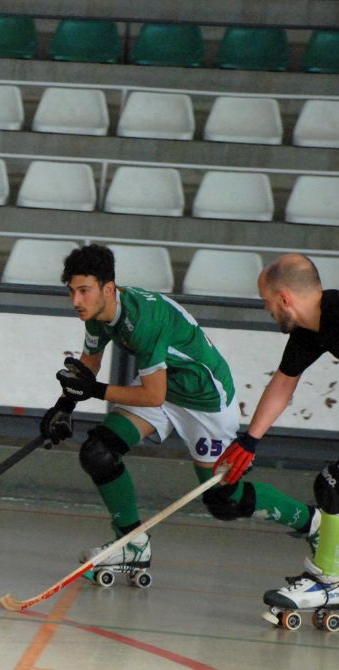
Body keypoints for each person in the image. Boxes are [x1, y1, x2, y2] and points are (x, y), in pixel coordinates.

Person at [40, 244, 317, 578]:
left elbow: (152, 396)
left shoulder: (143, 321)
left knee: (225, 501)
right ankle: (131, 544)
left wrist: (94, 391)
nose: (76, 301)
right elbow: (90, 364)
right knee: (98, 453)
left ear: (108, 289)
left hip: (204, 401)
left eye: (83, 291)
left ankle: (313, 523)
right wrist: (63, 407)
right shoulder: (99, 313)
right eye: (72, 292)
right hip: (164, 387)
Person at [215, 254, 338, 618]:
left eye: (266, 301)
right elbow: (284, 383)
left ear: (284, 298)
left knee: (334, 485)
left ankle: (328, 583)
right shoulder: (311, 330)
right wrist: (249, 441)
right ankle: (327, 579)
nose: (267, 309)